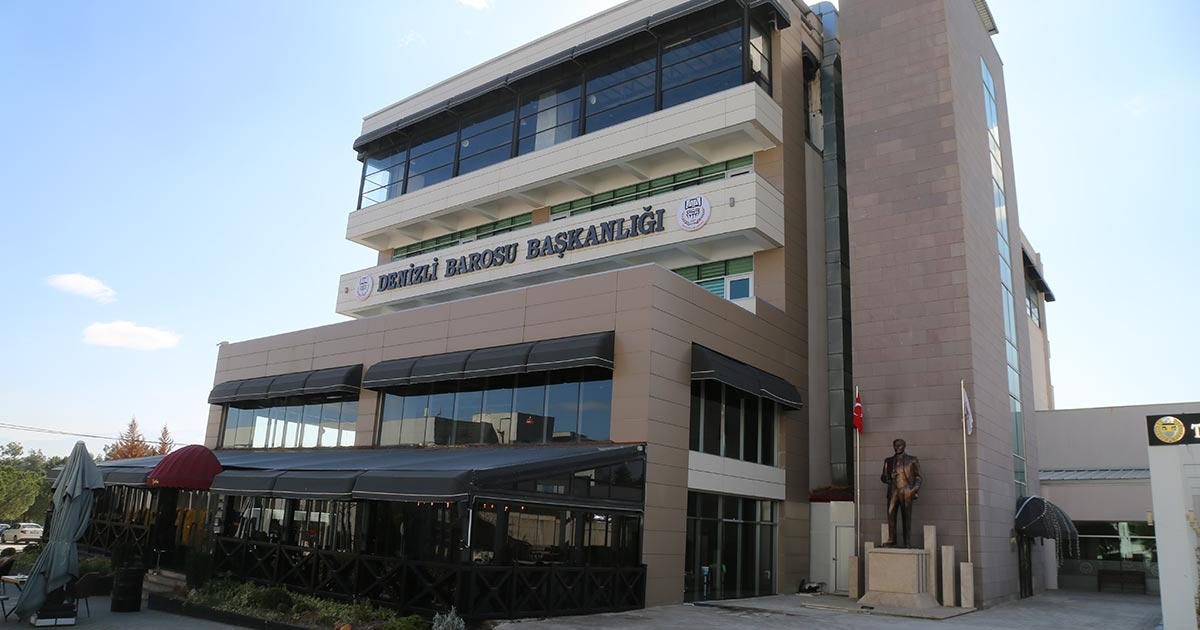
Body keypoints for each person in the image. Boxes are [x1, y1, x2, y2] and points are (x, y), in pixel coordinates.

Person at [880, 438, 922, 548]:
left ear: (904, 446)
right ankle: (892, 540)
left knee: (906, 516)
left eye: (899, 445)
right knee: (891, 513)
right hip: (893, 491)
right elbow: (883, 477)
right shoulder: (888, 461)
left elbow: (918, 477)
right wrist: (889, 476)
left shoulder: (912, 460)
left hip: (906, 490)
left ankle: (907, 542)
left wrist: (914, 489)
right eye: (895, 445)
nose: (897, 448)